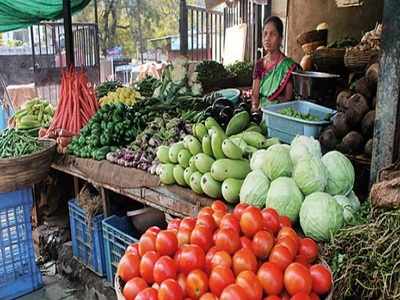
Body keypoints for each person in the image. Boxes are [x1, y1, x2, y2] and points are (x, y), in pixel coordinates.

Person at [251, 16, 298, 112]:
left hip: (279, 113)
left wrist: (272, 106)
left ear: (280, 39)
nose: (267, 38)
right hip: (260, 112)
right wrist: (255, 107)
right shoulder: (259, 64)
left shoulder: (288, 66)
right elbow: (255, 94)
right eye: (265, 34)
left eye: (272, 34)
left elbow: (287, 99)